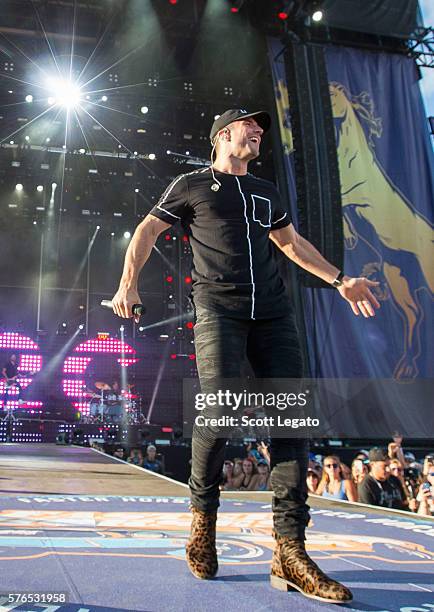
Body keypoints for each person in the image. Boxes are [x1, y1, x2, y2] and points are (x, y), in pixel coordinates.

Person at [111, 108, 380, 603]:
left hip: (274, 316)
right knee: (219, 412)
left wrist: (341, 280)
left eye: (261, 128)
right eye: (249, 125)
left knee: (291, 426)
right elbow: (147, 231)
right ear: (223, 136)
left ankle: (290, 551)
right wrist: (128, 284)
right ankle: (202, 521)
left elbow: (292, 245)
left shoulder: (266, 191)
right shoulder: (192, 185)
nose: (258, 132)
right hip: (218, 310)